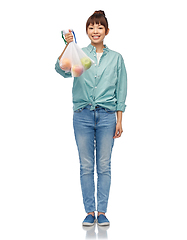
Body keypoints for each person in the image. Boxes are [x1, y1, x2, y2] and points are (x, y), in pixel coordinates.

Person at [55, 10, 127, 226]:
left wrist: (120, 120)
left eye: (100, 27)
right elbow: (61, 70)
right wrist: (68, 46)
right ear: (87, 31)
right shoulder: (80, 54)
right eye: (91, 27)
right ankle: (89, 212)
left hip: (107, 116)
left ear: (107, 31)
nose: (95, 31)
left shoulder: (116, 58)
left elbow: (121, 90)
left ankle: (102, 212)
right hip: (82, 115)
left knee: (104, 165)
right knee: (86, 165)